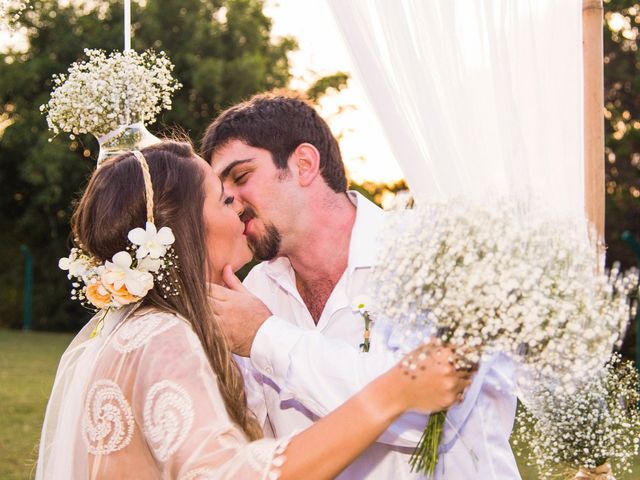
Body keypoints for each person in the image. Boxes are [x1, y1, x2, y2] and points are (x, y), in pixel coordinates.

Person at [36, 141, 471, 479]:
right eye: (224, 201)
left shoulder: (149, 329)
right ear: (186, 228)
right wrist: (391, 392)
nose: (240, 208)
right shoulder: (162, 337)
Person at [202, 93, 521, 479]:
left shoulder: (433, 255)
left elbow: (426, 406)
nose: (232, 201)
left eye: (241, 177)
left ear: (304, 164)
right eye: (223, 192)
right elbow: (258, 445)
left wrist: (265, 337)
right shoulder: (255, 290)